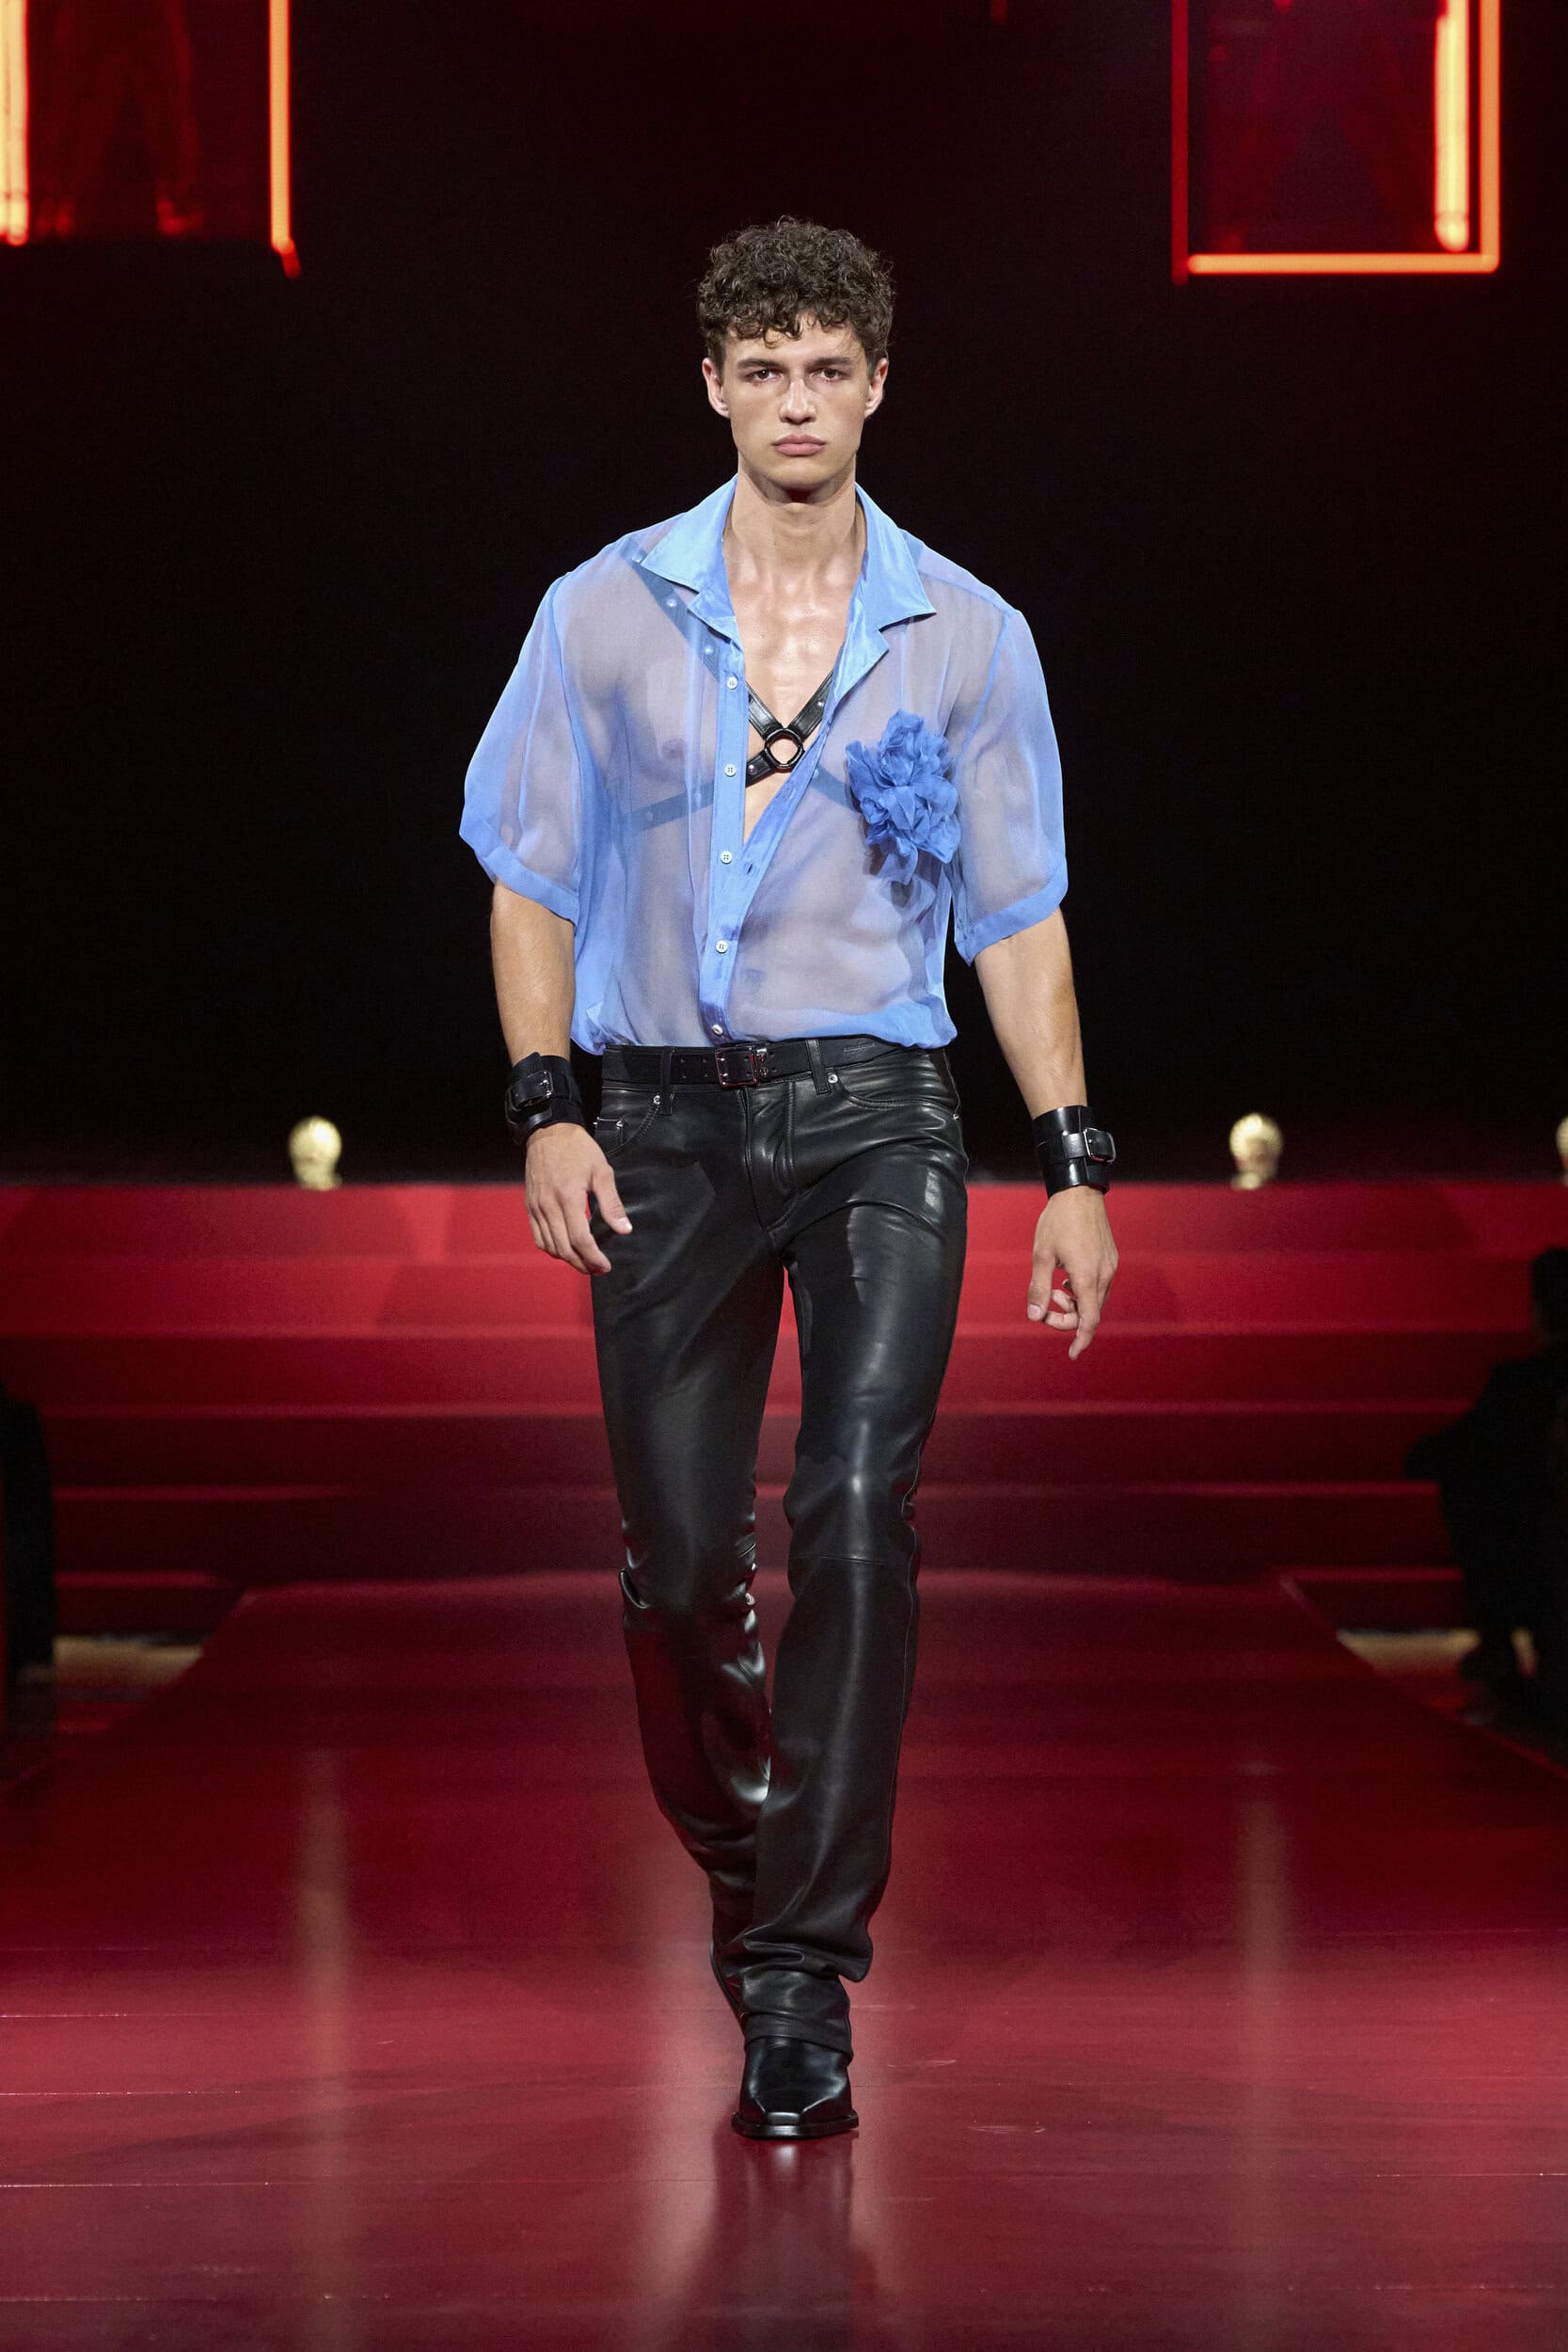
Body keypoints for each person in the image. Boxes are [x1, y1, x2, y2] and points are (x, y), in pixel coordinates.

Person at [460, 219, 1117, 2140]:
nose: (798, 402)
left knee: (851, 1502)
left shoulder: (966, 634)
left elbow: (1016, 918)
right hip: (657, 1124)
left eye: (829, 369)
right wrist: (544, 1105)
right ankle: (759, 1866)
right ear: (714, 386)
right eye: (765, 370)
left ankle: (801, 1965)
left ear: (878, 384)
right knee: (677, 1570)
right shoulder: (601, 610)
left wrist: (1073, 1161)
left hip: (876, 1117)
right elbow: (528, 873)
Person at [1406, 1248, 1568, 1728]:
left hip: (1536, 1546)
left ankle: (1498, 1642)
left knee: (1470, 1484)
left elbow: (1437, 1455)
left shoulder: (1521, 1385)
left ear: (1539, 1312)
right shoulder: (1526, 1386)